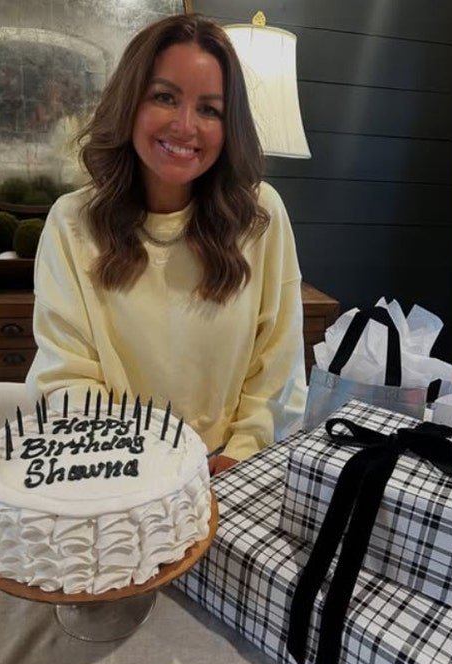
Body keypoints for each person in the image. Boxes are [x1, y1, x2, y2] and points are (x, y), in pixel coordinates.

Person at [24, 14, 307, 475]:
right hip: (113, 472)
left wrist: (240, 453)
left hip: (229, 473)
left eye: (209, 109)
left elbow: (277, 366)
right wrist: (135, 470)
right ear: (130, 102)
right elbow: (66, 376)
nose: (185, 126)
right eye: (164, 97)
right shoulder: (72, 224)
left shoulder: (261, 217)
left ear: (228, 124)